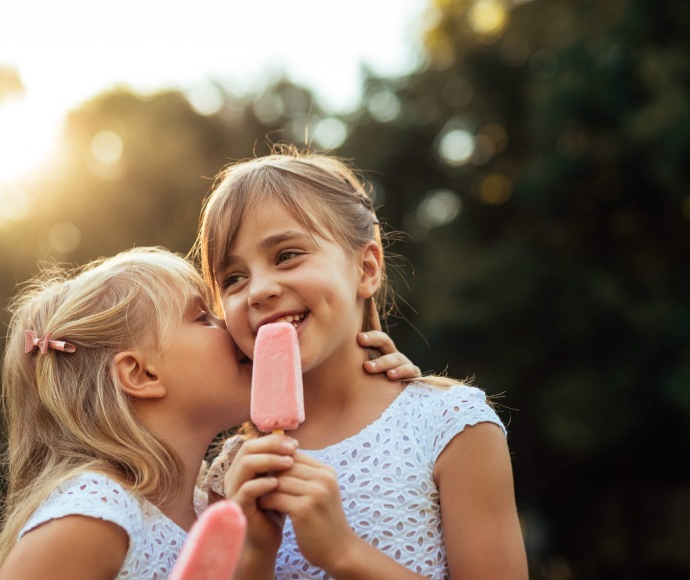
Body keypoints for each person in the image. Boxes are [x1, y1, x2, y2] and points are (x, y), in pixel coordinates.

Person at [0, 247, 419, 580]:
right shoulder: (95, 511)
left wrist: (372, 388)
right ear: (141, 374)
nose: (230, 325)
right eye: (202, 317)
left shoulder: (214, 501)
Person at [195, 146, 528, 579]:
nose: (258, 290)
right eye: (233, 279)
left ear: (366, 268)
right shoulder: (234, 469)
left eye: (287, 255)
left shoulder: (450, 426)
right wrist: (255, 552)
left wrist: (344, 554)